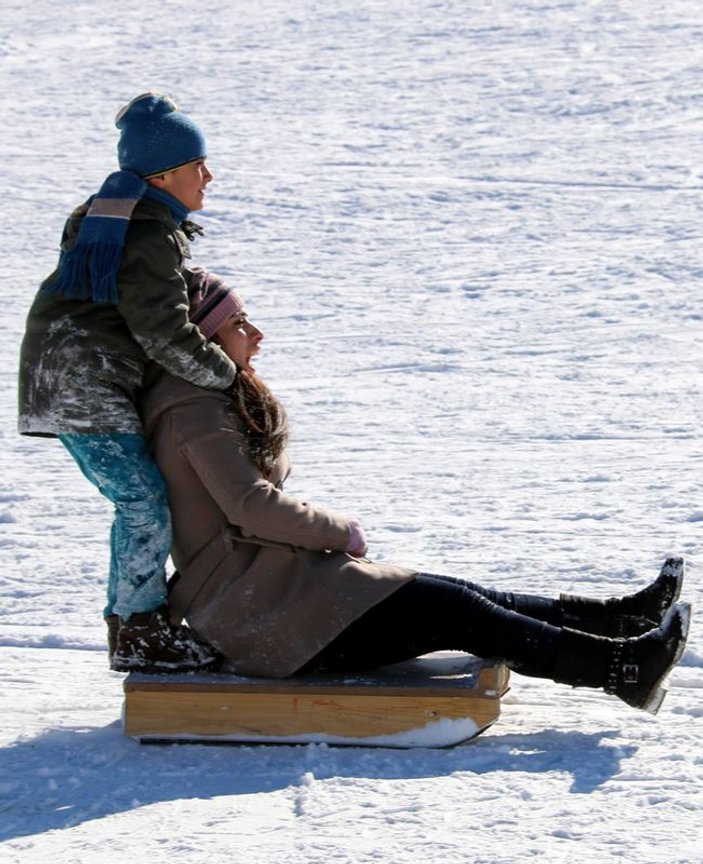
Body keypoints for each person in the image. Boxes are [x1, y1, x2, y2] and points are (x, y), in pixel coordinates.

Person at [139, 275, 690, 714]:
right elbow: (250, 505)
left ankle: (621, 622)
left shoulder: (201, 398)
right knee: (452, 609)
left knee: (453, 593)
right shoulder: (194, 409)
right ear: (203, 338)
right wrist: (338, 530)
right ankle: (622, 669)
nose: (256, 334)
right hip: (263, 617)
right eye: (238, 323)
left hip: (276, 593)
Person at [17, 93, 238, 673]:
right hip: (80, 380)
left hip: (78, 375)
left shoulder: (127, 219)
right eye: (199, 165)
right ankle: (139, 631)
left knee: (139, 501)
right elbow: (163, 332)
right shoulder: (141, 231)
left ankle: (132, 625)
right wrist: (227, 375)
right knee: (142, 503)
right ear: (164, 175)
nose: (208, 177)